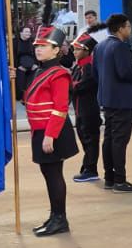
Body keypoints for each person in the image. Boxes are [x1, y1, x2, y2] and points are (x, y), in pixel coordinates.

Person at [23, 24, 79, 236]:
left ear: (56, 50)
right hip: (41, 132)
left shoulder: (59, 74)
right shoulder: (40, 70)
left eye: (44, 46)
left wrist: (49, 135)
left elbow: (60, 108)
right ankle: (55, 215)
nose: (38, 49)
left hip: (53, 133)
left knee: (54, 174)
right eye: (37, 46)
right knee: (48, 173)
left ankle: (60, 219)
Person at [94, 13, 132, 193]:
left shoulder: (100, 46)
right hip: (121, 101)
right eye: (128, 26)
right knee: (119, 141)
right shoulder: (120, 47)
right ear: (120, 28)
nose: (130, 29)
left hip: (107, 99)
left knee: (109, 139)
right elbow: (126, 73)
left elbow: (95, 73)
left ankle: (109, 178)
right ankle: (120, 181)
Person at [71, 31, 101, 182]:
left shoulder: (90, 67)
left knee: (91, 141)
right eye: (74, 49)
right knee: (85, 140)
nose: (74, 52)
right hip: (80, 111)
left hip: (89, 111)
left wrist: (69, 85)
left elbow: (79, 86)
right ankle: (87, 167)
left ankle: (91, 170)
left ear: (87, 51)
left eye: (78, 49)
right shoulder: (78, 67)